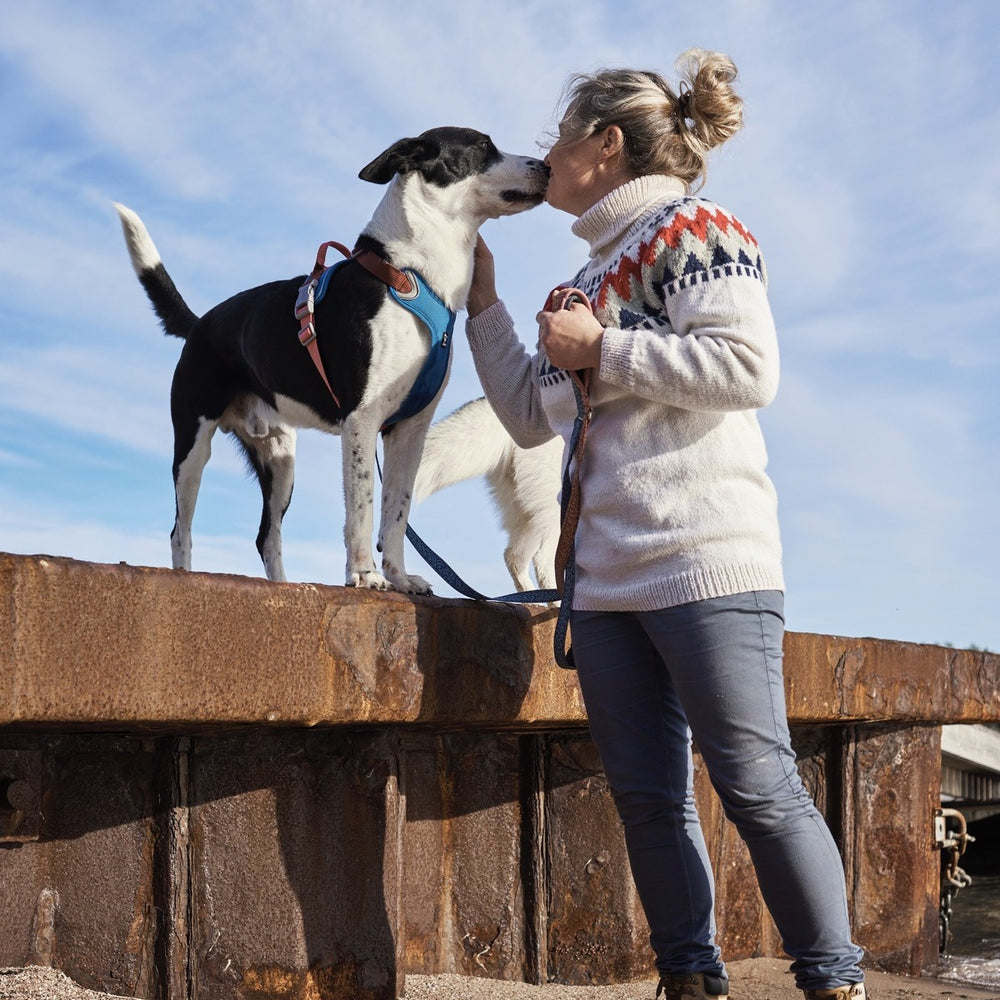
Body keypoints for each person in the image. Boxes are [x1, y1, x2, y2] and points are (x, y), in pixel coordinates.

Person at [463, 51, 867, 1000]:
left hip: (709, 565)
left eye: (557, 140)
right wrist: (484, 303)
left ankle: (834, 980)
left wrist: (605, 346)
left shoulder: (697, 227)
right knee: (648, 800)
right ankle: (689, 978)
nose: (546, 157)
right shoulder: (589, 270)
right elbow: (531, 413)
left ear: (606, 145)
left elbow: (746, 368)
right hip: (604, 585)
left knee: (759, 785)